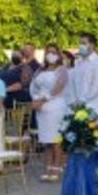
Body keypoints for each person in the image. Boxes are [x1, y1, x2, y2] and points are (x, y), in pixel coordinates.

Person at [30, 44, 70, 182]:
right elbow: (33, 86)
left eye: (53, 52)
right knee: (46, 140)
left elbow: (59, 87)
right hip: (41, 109)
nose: (50, 55)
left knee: (55, 140)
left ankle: (57, 167)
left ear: (58, 55)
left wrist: (44, 99)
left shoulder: (62, 70)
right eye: (48, 52)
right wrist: (35, 99)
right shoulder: (40, 70)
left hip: (55, 106)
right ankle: (47, 167)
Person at [69, 33, 98, 123]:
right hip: (77, 108)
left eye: (83, 43)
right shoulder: (78, 62)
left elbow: (97, 87)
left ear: (92, 45)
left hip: (94, 110)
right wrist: (74, 101)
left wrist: (82, 101)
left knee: (92, 136)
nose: (80, 46)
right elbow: (73, 84)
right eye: (80, 43)